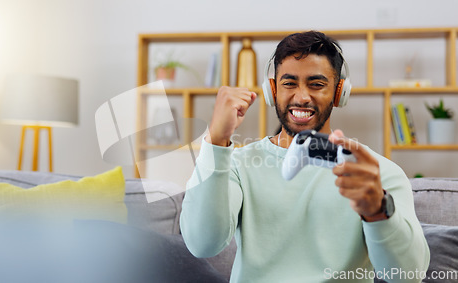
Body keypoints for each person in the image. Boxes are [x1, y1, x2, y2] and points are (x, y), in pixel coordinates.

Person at [180, 31, 429, 282]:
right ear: (272, 90)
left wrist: (378, 210)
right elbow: (203, 244)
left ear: (339, 92)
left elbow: (408, 276)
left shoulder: (375, 173)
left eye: (317, 84)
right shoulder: (236, 163)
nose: (301, 97)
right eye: (289, 83)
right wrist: (215, 140)